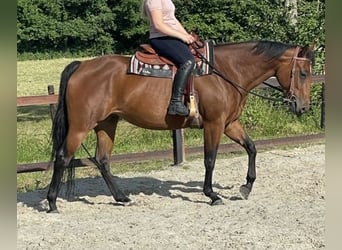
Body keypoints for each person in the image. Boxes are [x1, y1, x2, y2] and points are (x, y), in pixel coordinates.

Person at [142, 0, 196, 116]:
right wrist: (181, 36)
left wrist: (187, 36)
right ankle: (175, 103)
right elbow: (158, 25)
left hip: (172, 37)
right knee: (188, 61)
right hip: (161, 38)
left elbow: (173, 20)